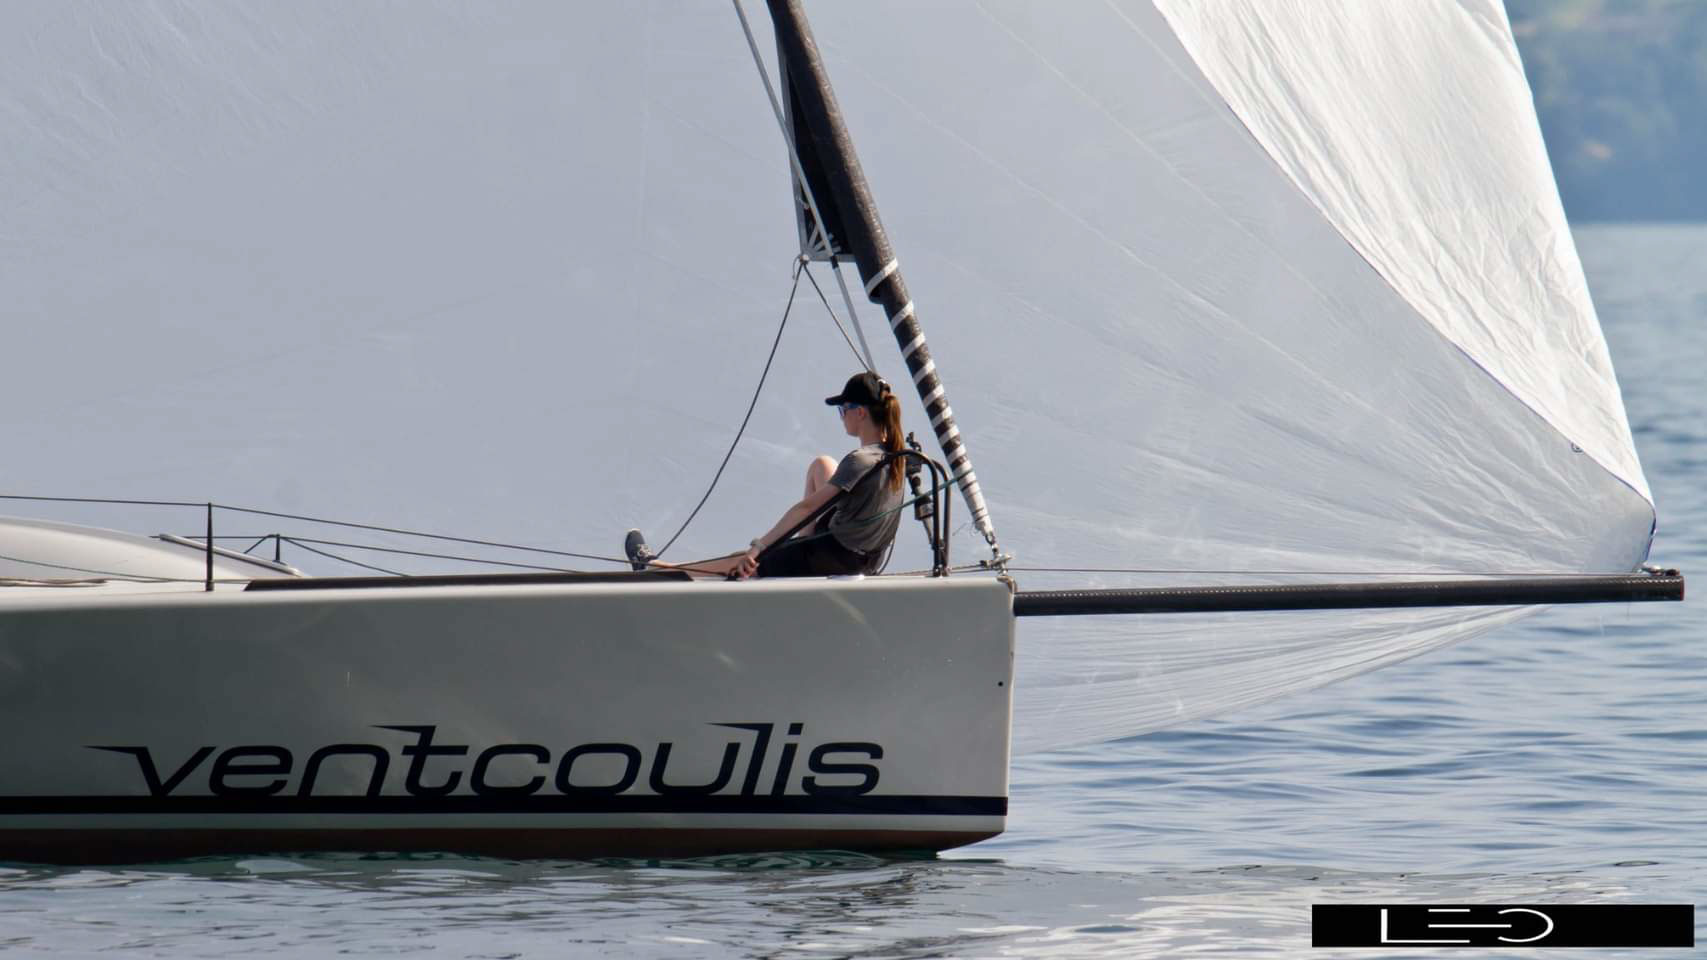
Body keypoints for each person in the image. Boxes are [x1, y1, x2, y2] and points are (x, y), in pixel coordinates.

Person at [626, 371, 907, 579]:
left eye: (843, 410)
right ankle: (801, 544)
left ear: (860, 413)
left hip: (834, 558)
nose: (842, 417)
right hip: (863, 557)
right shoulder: (899, 457)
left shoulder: (859, 460)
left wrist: (758, 548)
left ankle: (662, 571)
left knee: (743, 561)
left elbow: (805, 509)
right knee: (822, 464)